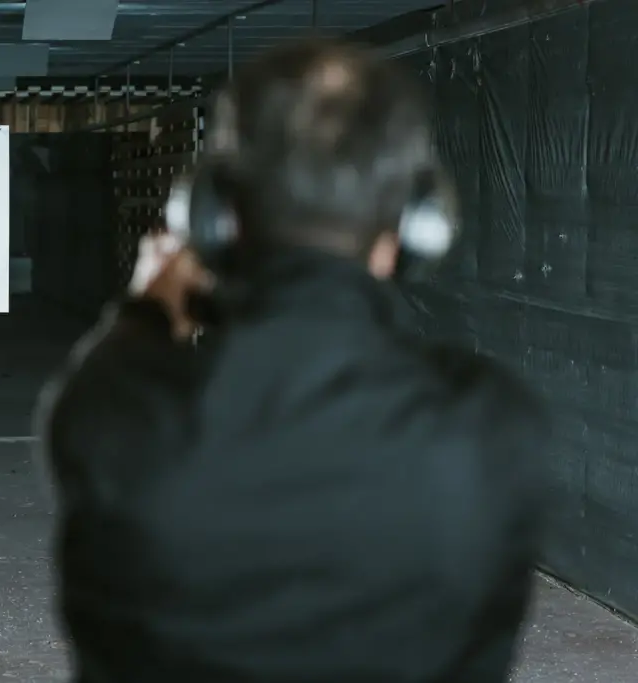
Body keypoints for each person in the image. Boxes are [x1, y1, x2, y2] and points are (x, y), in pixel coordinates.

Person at [36, 38, 549, 683]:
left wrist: (145, 308)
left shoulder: (113, 415)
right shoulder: (494, 426)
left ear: (217, 220)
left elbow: (108, 373)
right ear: (416, 226)